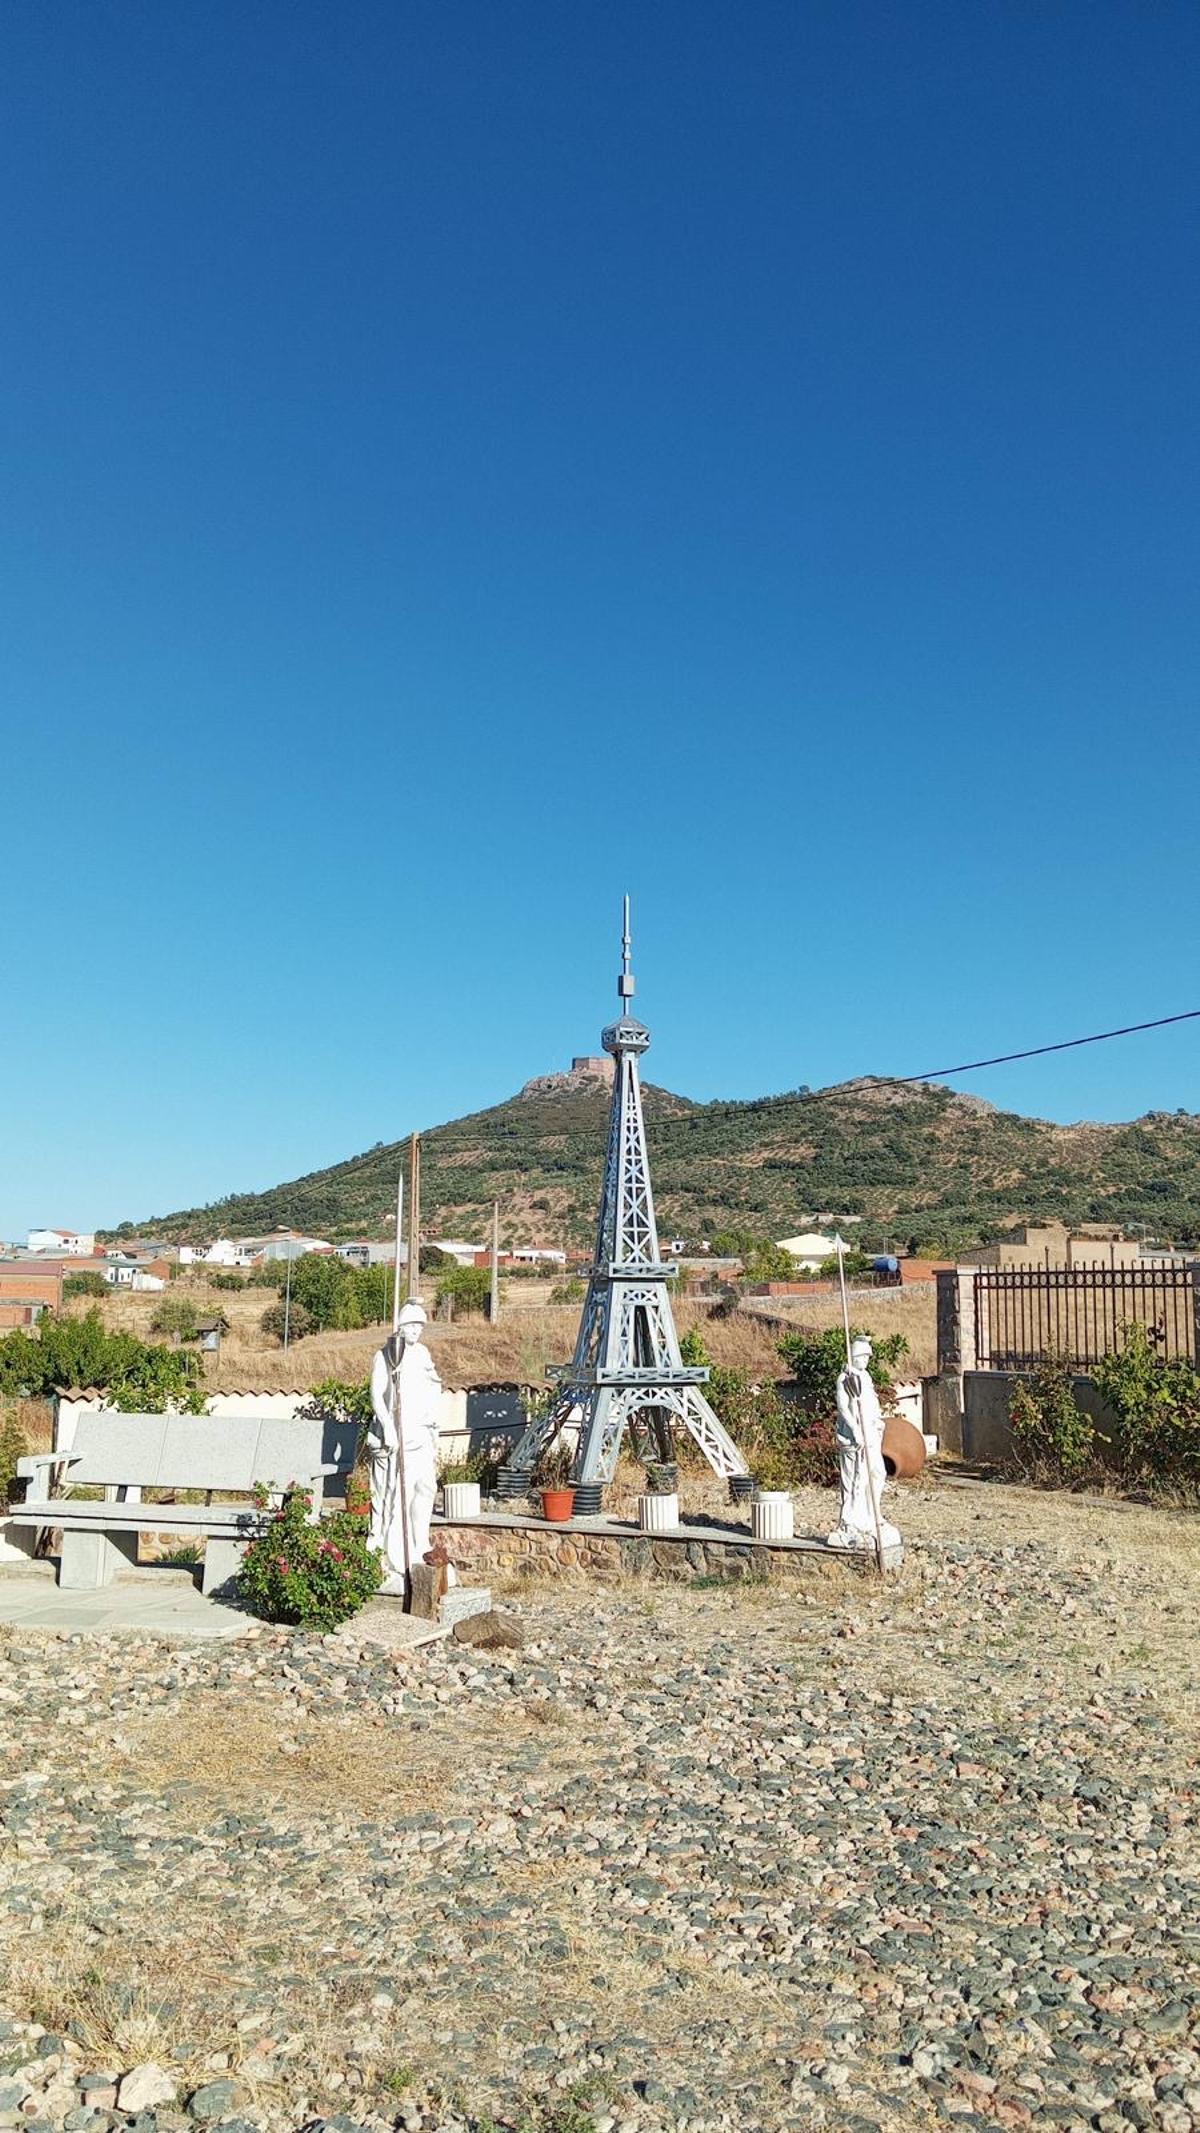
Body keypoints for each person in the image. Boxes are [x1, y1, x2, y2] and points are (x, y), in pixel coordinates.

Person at [368, 1299, 442, 1587]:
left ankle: (419, 1539)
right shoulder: (386, 1355)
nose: (416, 1331)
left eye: (420, 1326)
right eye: (411, 1325)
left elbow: (433, 1383)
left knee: (426, 1488)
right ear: (400, 1326)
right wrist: (387, 1426)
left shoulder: (422, 1353)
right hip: (399, 1434)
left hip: (421, 1432)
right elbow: (377, 1394)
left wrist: (432, 1416)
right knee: (400, 1492)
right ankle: (397, 1553)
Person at [827, 1334, 900, 1553]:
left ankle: (873, 1513)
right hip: (854, 1436)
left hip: (871, 1432)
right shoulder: (845, 1378)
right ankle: (851, 1521)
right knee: (856, 1478)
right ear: (854, 1356)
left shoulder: (865, 1377)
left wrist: (877, 1422)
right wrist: (855, 1430)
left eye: (868, 1356)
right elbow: (844, 1408)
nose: (866, 1360)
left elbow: (870, 1402)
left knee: (877, 1472)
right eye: (862, 1356)